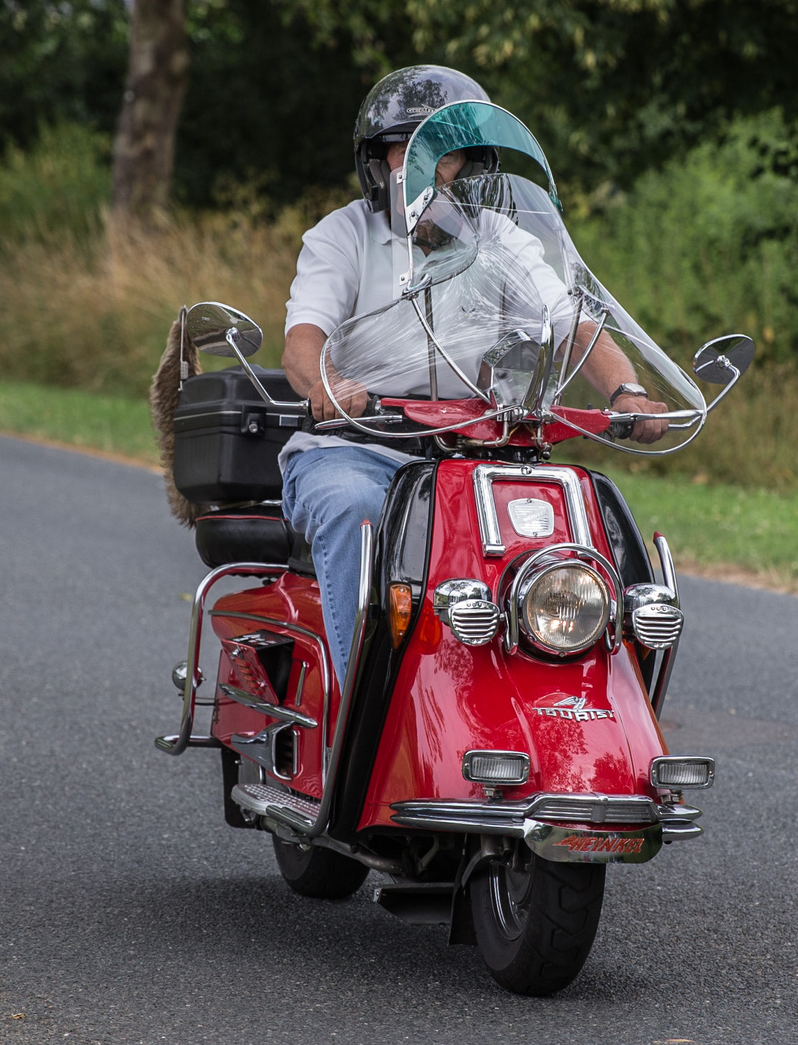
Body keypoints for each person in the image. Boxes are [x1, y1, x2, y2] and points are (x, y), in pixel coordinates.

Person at [278, 65, 668, 685]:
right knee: (352, 507)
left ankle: (584, 704)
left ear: (472, 166)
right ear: (379, 163)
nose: (430, 170)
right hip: (357, 445)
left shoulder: (500, 238)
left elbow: (569, 324)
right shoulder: (343, 234)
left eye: (448, 154)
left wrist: (629, 392)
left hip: (474, 450)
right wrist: (328, 387)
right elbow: (303, 342)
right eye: (412, 151)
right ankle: (364, 709)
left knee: (589, 518)